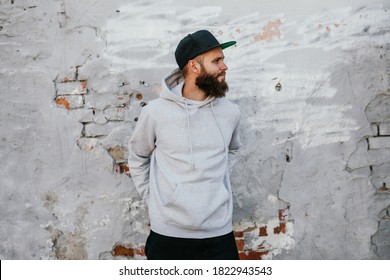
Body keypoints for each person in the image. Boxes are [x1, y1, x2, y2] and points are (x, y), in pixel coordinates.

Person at [127, 30, 241, 260]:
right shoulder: (156, 113)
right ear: (194, 66)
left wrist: (216, 187)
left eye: (223, 59)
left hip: (219, 232)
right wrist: (155, 200)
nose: (224, 66)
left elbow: (233, 150)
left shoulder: (230, 112)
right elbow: (138, 157)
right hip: (169, 233)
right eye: (217, 60)